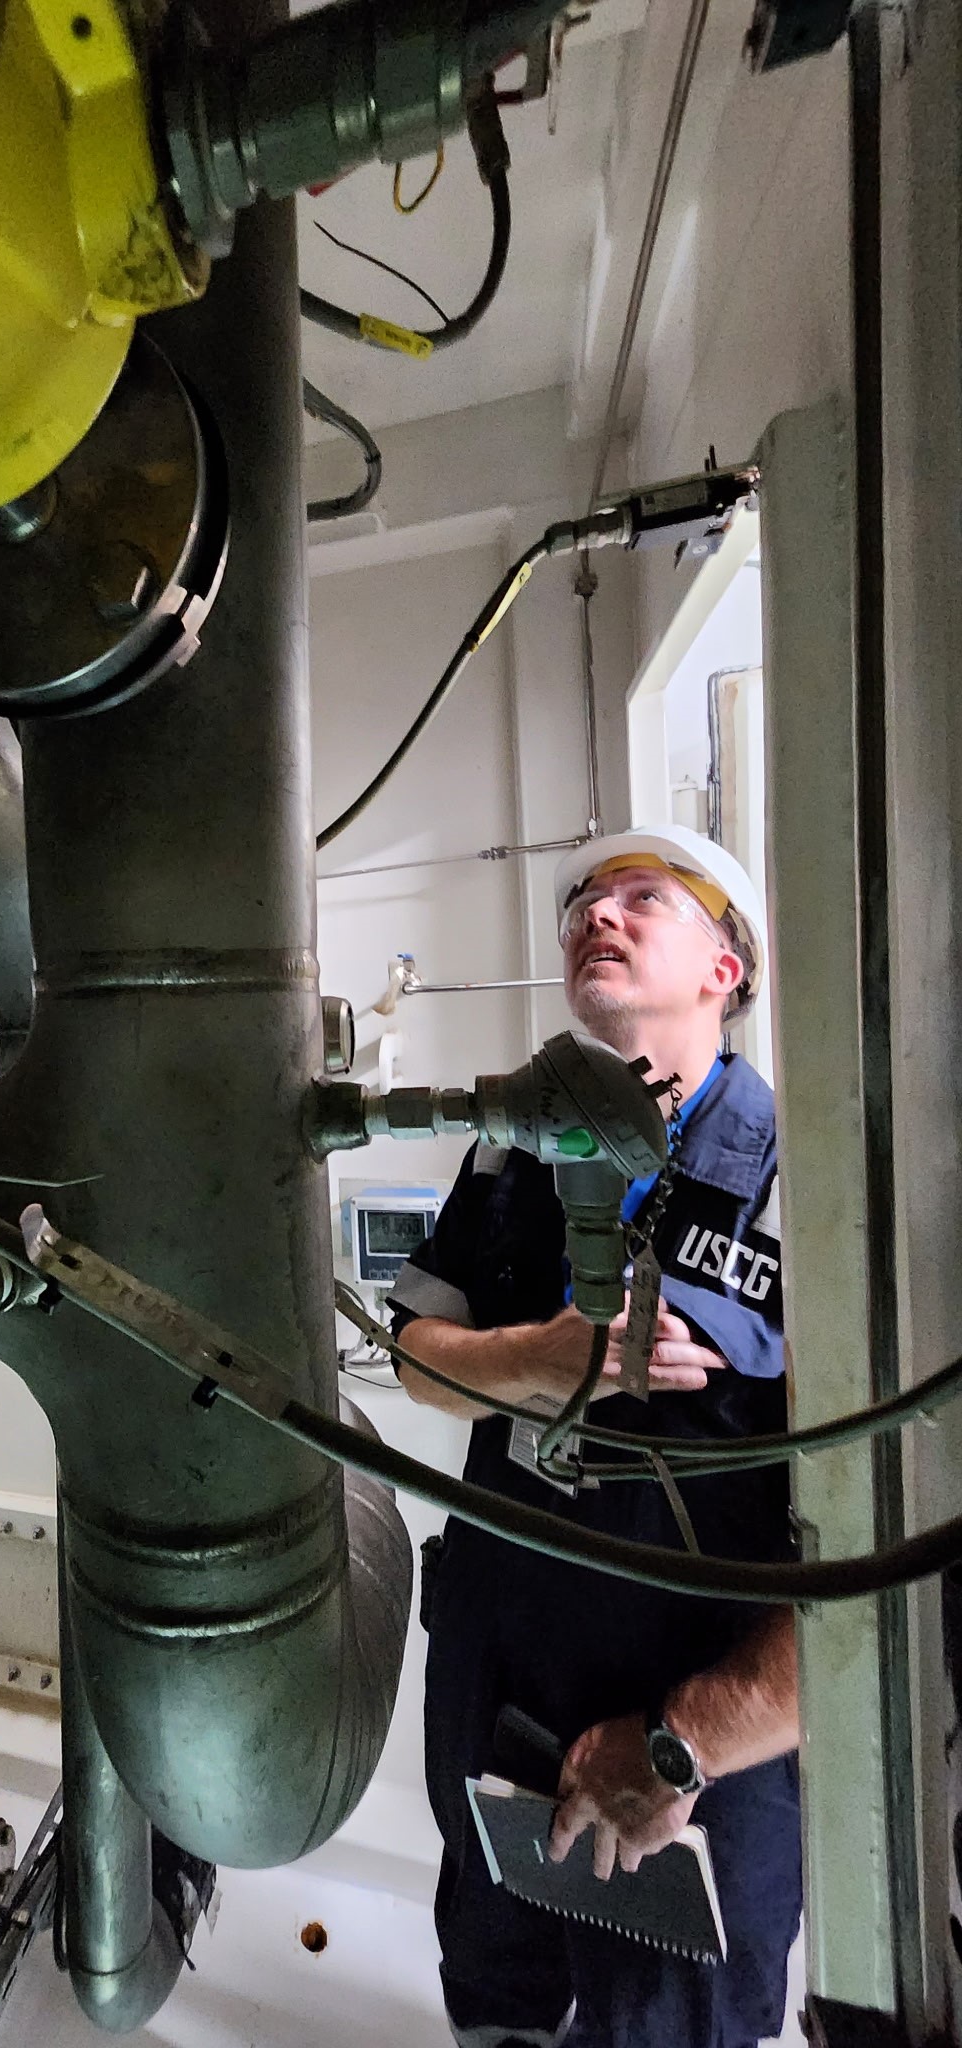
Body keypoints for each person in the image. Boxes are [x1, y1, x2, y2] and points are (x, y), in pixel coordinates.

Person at [390, 824, 799, 2048]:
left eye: (640, 898)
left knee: (666, 2024)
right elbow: (416, 1356)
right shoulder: (512, 1142)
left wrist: (683, 1746)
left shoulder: (808, 1173)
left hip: (691, 1727)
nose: (594, 916)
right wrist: (536, 1363)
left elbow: (889, 1540)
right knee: (495, 1981)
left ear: (726, 968)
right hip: (495, 1672)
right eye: (580, 903)